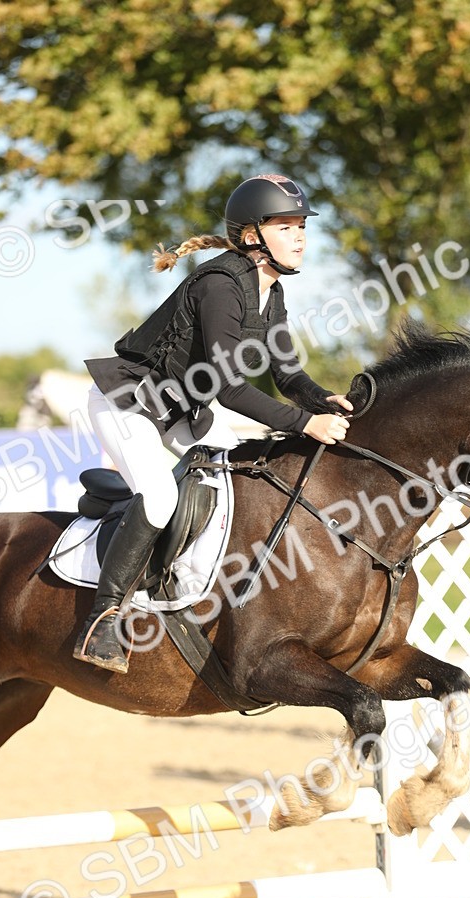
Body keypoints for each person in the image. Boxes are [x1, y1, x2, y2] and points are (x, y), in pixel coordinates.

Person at [74, 173, 353, 674]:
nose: (301, 236)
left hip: (180, 409)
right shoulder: (223, 286)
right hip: (127, 402)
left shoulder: (269, 293)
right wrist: (305, 425)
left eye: (301, 226)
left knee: (235, 469)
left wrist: (323, 400)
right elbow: (228, 387)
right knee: (160, 496)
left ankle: (191, 582)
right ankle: (104, 619)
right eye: (287, 226)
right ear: (252, 236)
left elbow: (287, 373)